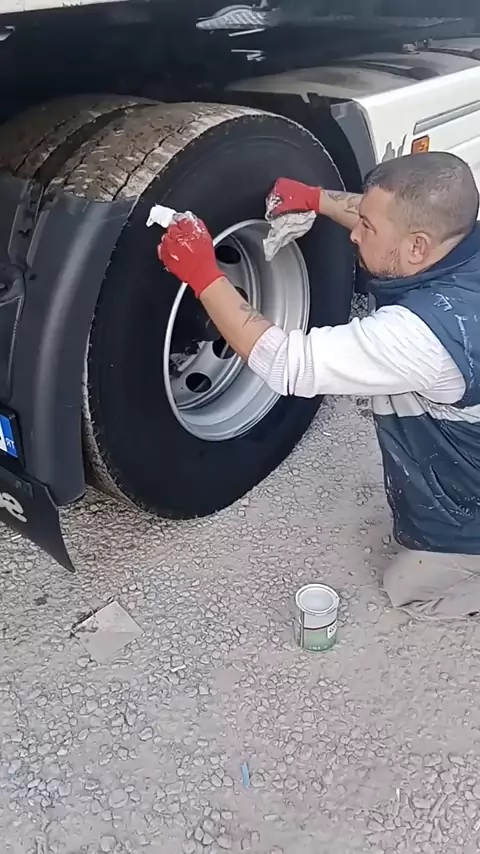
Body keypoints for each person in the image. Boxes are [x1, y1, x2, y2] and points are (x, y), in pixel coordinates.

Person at [159, 152, 480, 620]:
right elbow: (391, 222)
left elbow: (288, 364)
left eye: (366, 228)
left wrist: (205, 276)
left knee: (409, 587)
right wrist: (315, 199)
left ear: (417, 248)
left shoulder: (426, 335)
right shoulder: (458, 241)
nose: (354, 234)